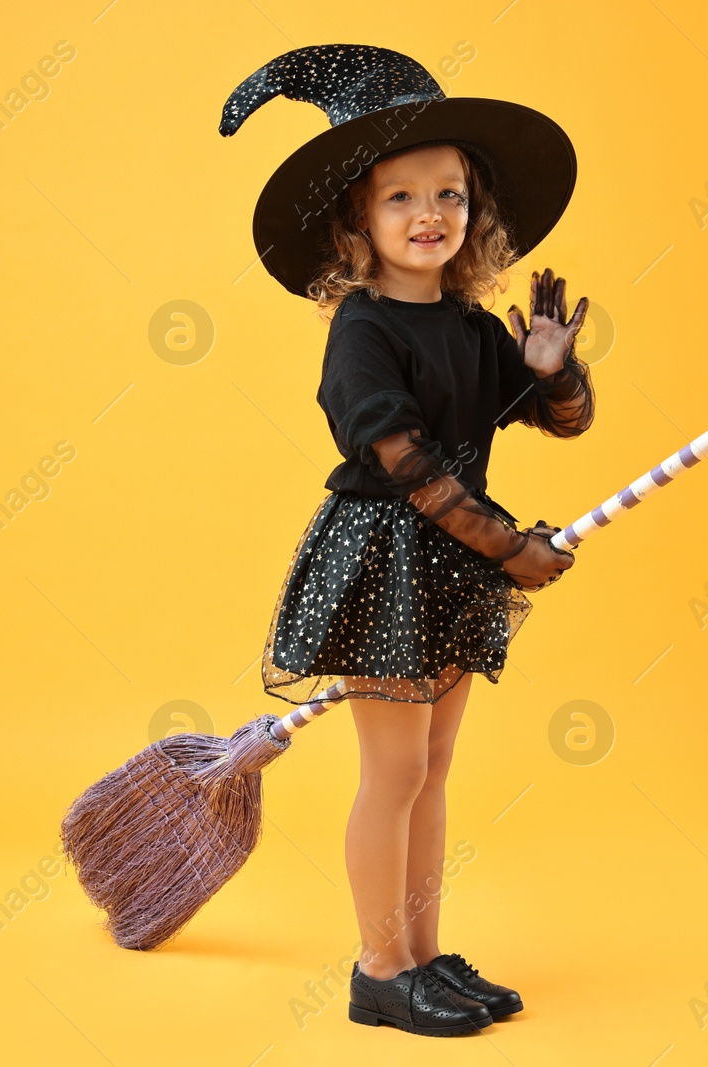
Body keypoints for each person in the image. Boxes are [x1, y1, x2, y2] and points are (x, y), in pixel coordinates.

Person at [220, 44, 595, 1037]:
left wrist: (551, 372)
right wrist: (507, 545)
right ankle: (379, 964)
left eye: (450, 195)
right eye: (399, 199)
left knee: (432, 767)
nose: (429, 216)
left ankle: (424, 952)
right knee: (391, 773)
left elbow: (552, 420)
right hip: (386, 559)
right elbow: (401, 460)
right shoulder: (360, 331)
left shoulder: (469, 329)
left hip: (453, 559)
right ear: (356, 217)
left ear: (474, 211)